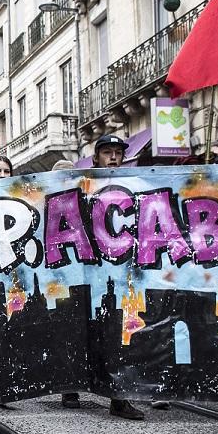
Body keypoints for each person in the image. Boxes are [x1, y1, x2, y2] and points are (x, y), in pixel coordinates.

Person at [63, 135, 146, 419]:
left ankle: (118, 397)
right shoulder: (81, 186)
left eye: (117, 153)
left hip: (122, 275)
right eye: (107, 152)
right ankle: (72, 384)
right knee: (85, 331)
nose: (113, 157)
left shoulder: (137, 186)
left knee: (119, 334)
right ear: (95, 157)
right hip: (86, 274)